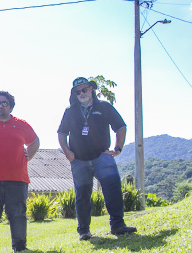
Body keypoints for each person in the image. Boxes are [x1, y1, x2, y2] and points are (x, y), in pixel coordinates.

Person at [58, 77, 136, 240]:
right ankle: (84, 231)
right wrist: (67, 152)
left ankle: (117, 225)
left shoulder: (105, 107)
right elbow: (61, 133)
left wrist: (118, 148)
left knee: (113, 186)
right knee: (83, 194)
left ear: (91, 89)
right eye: (77, 92)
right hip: (78, 159)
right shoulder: (70, 110)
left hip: (102, 156)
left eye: (84, 90)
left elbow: (121, 127)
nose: (81, 93)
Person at [0, 91, 40, 253]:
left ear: (11, 106)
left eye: (4, 103)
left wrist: (28, 156)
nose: (0, 105)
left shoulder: (21, 124)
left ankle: (19, 248)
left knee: (18, 214)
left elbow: (35, 141)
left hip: (17, 178)